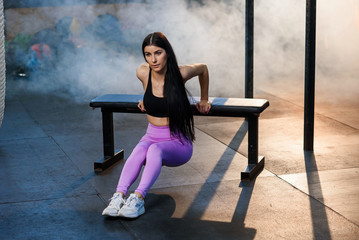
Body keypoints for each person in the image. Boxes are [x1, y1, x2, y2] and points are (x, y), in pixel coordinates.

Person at [102, 32, 211, 218]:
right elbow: (150, 91)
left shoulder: (180, 73)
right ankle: (119, 196)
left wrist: (204, 99)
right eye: (148, 54)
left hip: (178, 143)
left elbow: (203, 69)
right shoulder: (143, 73)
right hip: (151, 136)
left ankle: (138, 198)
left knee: (154, 150)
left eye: (158, 53)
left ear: (167, 52)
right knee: (139, 150)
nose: (153, 59)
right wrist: (145, 99)